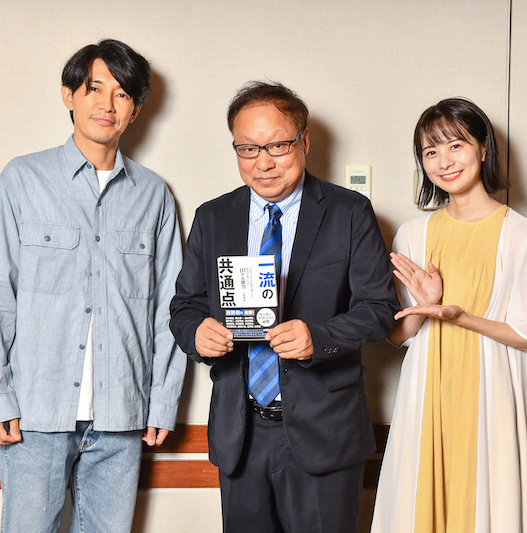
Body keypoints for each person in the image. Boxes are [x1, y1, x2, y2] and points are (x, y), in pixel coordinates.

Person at [0, 39, 186, 533]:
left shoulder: (154, 195)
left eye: (122, 93)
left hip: (122, 417)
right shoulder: (22, 179)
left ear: (136, 110)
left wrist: (162, 400)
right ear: (69, 95)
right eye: (94, 88)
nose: (107, 104)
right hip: (35, 414)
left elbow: (169, 309)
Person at [169, 81, 400, 533]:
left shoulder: (349, 212)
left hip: (324, 431)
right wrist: (196, 333)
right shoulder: (213, 217)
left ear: (304, 140)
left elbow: (379, 307)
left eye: (277, 145)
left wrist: (320, 337)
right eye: (248, 149)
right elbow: (185, 306)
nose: (264, 162)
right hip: (241, 433)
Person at [371, 98, 527, 533]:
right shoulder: (413, 234)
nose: (444, 161)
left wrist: (459, 316)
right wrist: (424, 305)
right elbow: (397, 337)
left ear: (484, 149)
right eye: (430, 151)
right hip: (425, 393)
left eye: (456, 145)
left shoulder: (521, 234)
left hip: (491, 394)